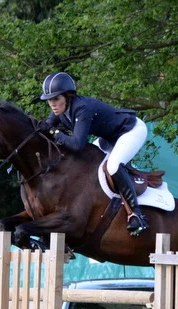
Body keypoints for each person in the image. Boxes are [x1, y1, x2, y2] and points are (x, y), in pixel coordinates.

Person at [38, 72, 149, 237]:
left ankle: (136, 215)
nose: (52, 104)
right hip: (109, 138)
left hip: (130, 131)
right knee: (89, 164)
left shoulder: (82, 108)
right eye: (49, 100)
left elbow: (76, 145)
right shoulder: (60, 110)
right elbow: (45, 128)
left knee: (112, 167)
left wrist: (54, 131)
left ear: (67, 96)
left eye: (56, 99)